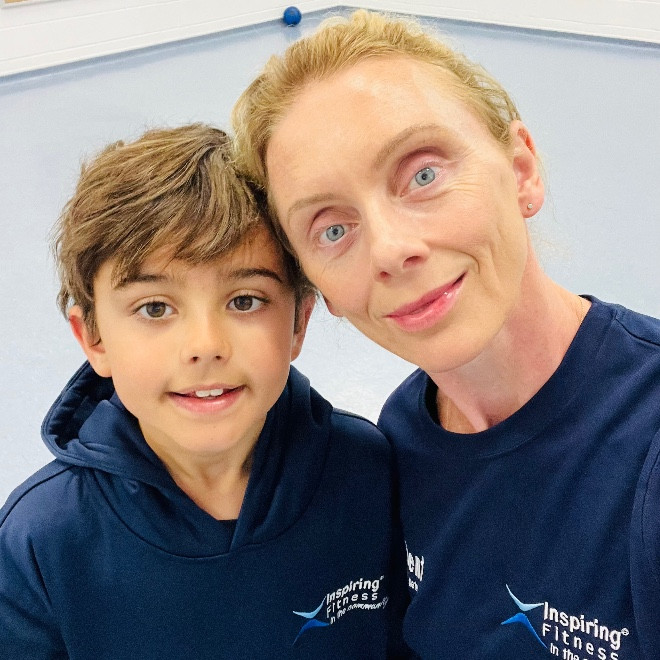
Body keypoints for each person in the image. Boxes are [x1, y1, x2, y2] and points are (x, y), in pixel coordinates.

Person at [232, 10, 660, 659]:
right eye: (333, 229)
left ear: (521, 168)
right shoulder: (402, 437)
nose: (390, 249)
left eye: (423, 175)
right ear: (320, 291)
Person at [0, 123, 410, 659]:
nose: (206, 346)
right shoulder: (41, 537)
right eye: (155, 308)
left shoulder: (369, 471)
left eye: (245, 301)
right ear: (93, 339)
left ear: (299, 323)